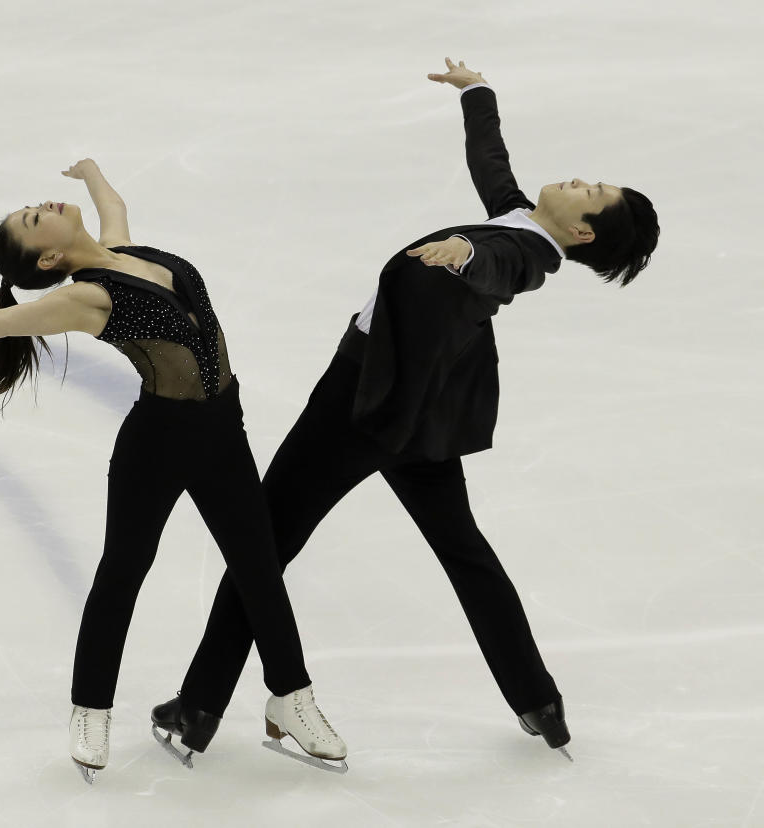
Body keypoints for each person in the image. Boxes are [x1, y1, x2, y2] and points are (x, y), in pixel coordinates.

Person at [153, 58, 660, 762]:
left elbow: (496, 265)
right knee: (464, 550)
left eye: (591, 192)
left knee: (260, 543)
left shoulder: (521, 253)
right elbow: (492, 163)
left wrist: (461, 257)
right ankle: (537, 700)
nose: (579, 179)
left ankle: (200, 706)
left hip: (365, 405)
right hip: (427, 417)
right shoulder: (519, 220)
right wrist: (477, 93)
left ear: (582, 236)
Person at [0, 158, 348, 781]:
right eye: (36, 218)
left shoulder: (124, 250)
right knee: (124, 571)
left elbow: (114, 207)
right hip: (159, 443)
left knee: (259, 566)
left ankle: (291, 696)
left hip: (225, 429)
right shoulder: (85, 298)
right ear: (44, 260)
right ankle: (90, 708)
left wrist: (89, 172)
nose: (44, 206)